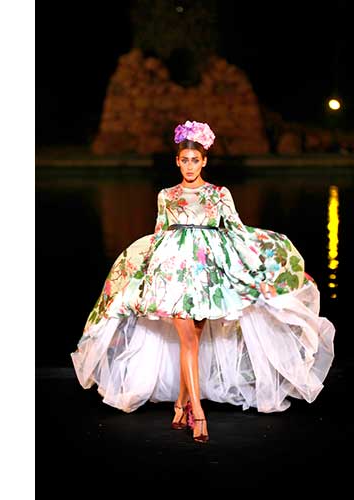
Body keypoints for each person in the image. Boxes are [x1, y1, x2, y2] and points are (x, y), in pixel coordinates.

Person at [71, 120, 335, 444]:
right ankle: (198, 412)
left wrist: (262, 272)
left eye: (195, 160)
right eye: (184, 160)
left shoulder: (218, 194)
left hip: (207, 278)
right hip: (172, 276)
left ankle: (180, 403)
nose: (190, 165)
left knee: (192, 340)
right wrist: (140, 274)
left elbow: (237, 232)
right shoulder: (166, 196)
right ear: (177, 161)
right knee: (188, 340)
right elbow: (159, 234)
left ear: (204, 161)